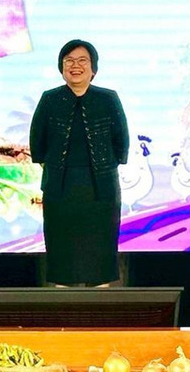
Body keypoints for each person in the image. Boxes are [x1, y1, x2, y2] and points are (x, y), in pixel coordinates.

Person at [29, 40, 129, 287]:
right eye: (69, 61)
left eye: (82, 60)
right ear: (61, 67)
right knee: (62, 256)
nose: (76, 66)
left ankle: (100, 307)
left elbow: (121, 142)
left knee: (100, 258)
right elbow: (37, 143)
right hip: (60, 189)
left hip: (101, 190)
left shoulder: (108, 98)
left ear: (93, 67)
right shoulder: (50, 99)